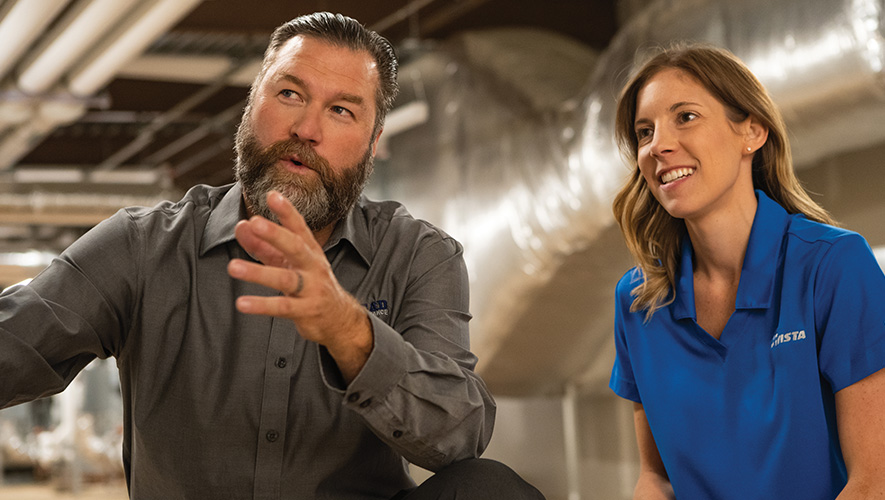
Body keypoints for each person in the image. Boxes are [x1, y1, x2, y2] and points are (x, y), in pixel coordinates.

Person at [0, 12, 544, 499]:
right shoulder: (142, 246)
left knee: (488, 489)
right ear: (251, 105)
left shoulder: (418, 254)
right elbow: (16, 343)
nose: (306, 129)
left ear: (374, 140)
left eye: (341, 111)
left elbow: (459, 436)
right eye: (289, 94)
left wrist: (349, 332)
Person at [607, 43, 885, 499]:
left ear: (751, 132)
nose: (659, 145)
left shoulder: (833, 266)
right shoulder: (637, 300)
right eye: (644, 132)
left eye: (686, 116)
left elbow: (873, 484)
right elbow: (656, 478)